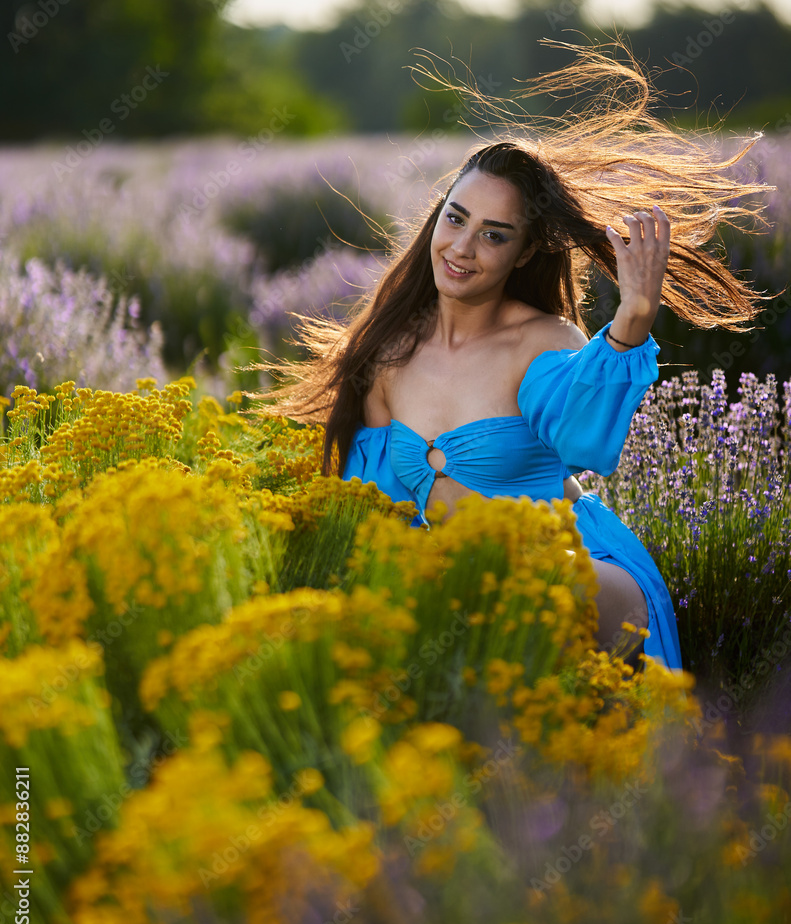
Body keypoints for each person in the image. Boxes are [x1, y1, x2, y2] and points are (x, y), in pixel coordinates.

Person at [250, 42, 770, 674]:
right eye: (455, 219)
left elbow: (584, 441)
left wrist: (631, 321)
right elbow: (367, 497)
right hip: (444, 577)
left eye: (493, 235)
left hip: (563, 569)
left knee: (521, 593)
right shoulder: (387, 353)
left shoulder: (543, 342)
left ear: (525, 253)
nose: (462, 249)